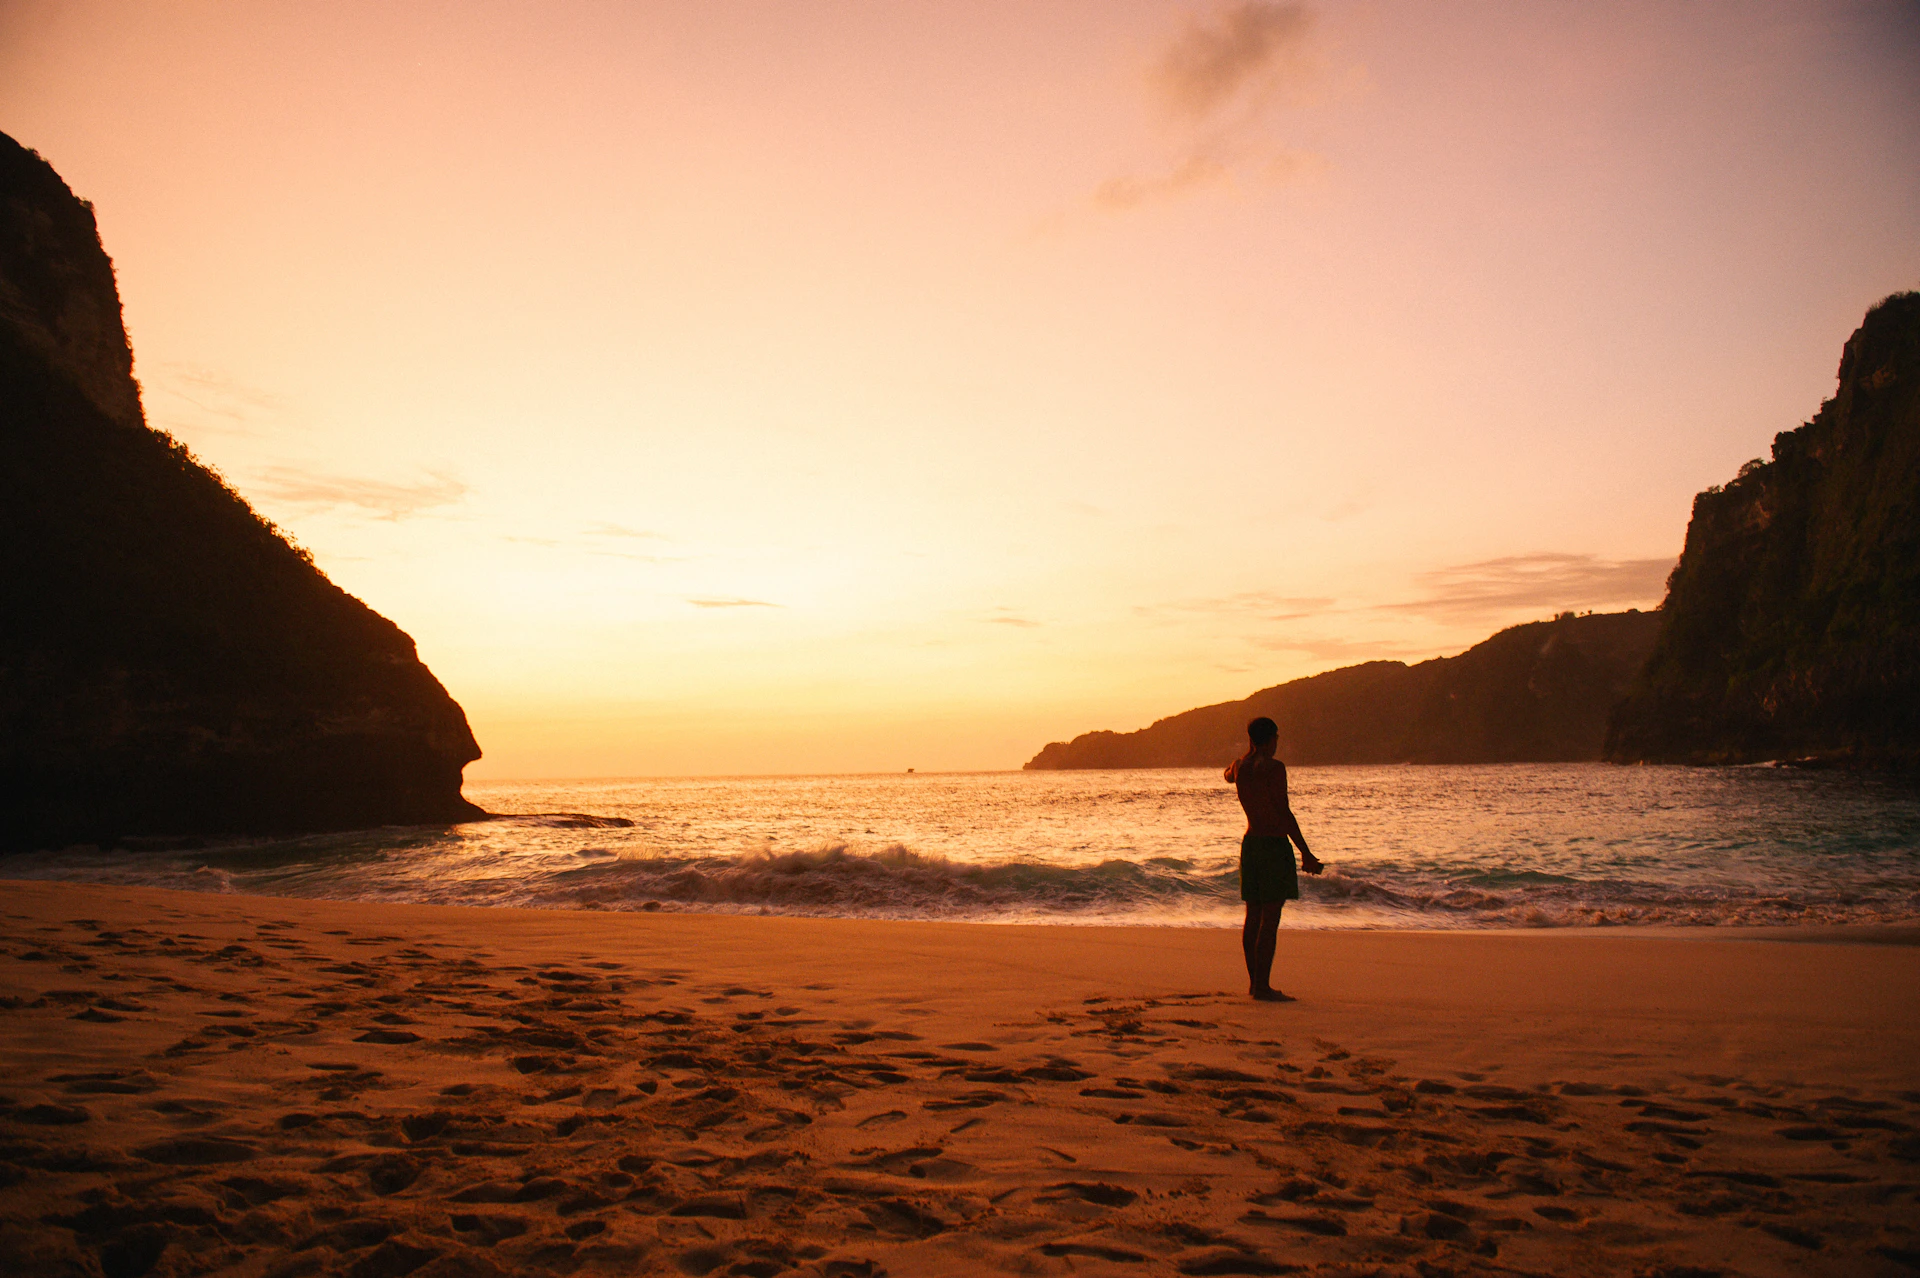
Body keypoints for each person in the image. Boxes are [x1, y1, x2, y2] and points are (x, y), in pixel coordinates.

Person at [1224, 716, 1322, 1001]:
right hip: (1274, 846)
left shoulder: (1239, 767)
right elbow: (1284, 812)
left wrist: (1243, 755)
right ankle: (1263, 987)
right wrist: (1305, 852)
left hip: (1251, 843)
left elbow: (1227, 774)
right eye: (1276, 738)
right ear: (1270, 739)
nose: (1278, 743)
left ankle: (1255, 983)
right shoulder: (1274, 768)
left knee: (1252, 914)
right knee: (1270, 916)